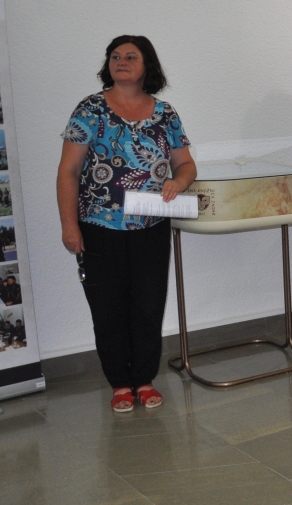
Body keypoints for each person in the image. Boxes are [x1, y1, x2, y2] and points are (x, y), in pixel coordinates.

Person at [57, 36, 196, 412]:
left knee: (149, 306)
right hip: (98, 228)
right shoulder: (90, 109)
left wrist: (179, 182)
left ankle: (145, 379)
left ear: (147, 65)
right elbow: (68, 172)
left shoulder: (165, 113)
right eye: (115, 56)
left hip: (152, 227)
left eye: (130, 57)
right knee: (108, 309)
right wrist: (69, 226)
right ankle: (120, 383)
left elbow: (186, 164)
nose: (121, 61)